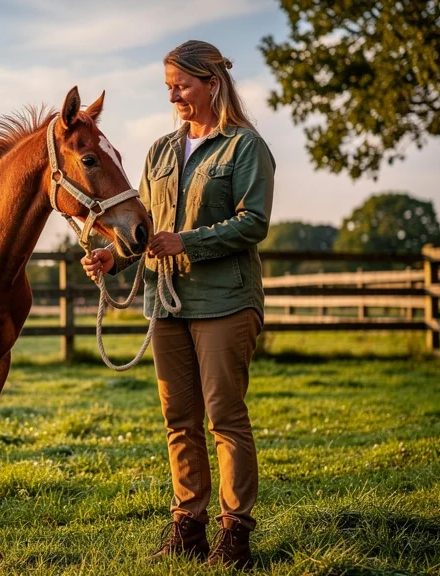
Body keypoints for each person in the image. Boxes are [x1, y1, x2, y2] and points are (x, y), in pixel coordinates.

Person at [82, 40, 275, 569]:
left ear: (212, 84)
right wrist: (113, 259)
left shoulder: (244, 148)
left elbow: (253, 222)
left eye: (183, 85)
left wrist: (188, 241)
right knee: (178, 418)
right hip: (167, 304)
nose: (174, 94)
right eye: (169, 85)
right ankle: (187, 525)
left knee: (224, 417)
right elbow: (144, 231)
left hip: (225, 302)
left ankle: (235, 534)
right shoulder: (161, 152)